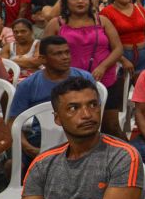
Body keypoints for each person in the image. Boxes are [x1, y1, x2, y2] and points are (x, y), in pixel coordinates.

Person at [10, 77, 143, 199]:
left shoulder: (122, 156)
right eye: (74, 108)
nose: (87, 114)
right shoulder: (43, 163)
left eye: (93, 105)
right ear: (57, 118)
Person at [42, 0, 126, 139]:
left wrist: (103, 67)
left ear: (90, 0)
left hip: (105, 79)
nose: (80, 1)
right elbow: (44, 52)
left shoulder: (102, 21)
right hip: (71, 84)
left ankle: (127, 153)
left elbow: (118, 48)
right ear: (66, 1)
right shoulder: (57, 24)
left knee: (111, 127)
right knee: (79, 126)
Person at [7, 36, 95, 174]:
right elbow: (13, 122)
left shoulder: (85, 79)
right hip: (39, 140)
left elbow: (94, 114)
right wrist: (29, 149)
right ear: (43, 59)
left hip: (80, 136)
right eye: (58, 54)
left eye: (67, 52)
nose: (65, 57)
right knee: (11, 167)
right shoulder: (28, 85)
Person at [100, 0, 145, 75]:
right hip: (121, 57)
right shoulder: (106, 13)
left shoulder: (140, 9)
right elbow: (106, 42)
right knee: (123, 84)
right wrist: (122, 60)